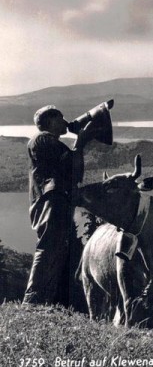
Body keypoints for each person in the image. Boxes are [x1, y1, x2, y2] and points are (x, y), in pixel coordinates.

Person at [23, 105, 93, 306]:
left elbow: (73, 173)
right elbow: (72, 167)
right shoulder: (43, 139)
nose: (65, 122)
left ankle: (46, 301)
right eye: (61, 118)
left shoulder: (48, 142)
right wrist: (81, 140)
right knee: (48, 248)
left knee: (58, 250)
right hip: (51, 201)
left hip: (55, 200)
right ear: (51, 121)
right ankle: (32, 300)